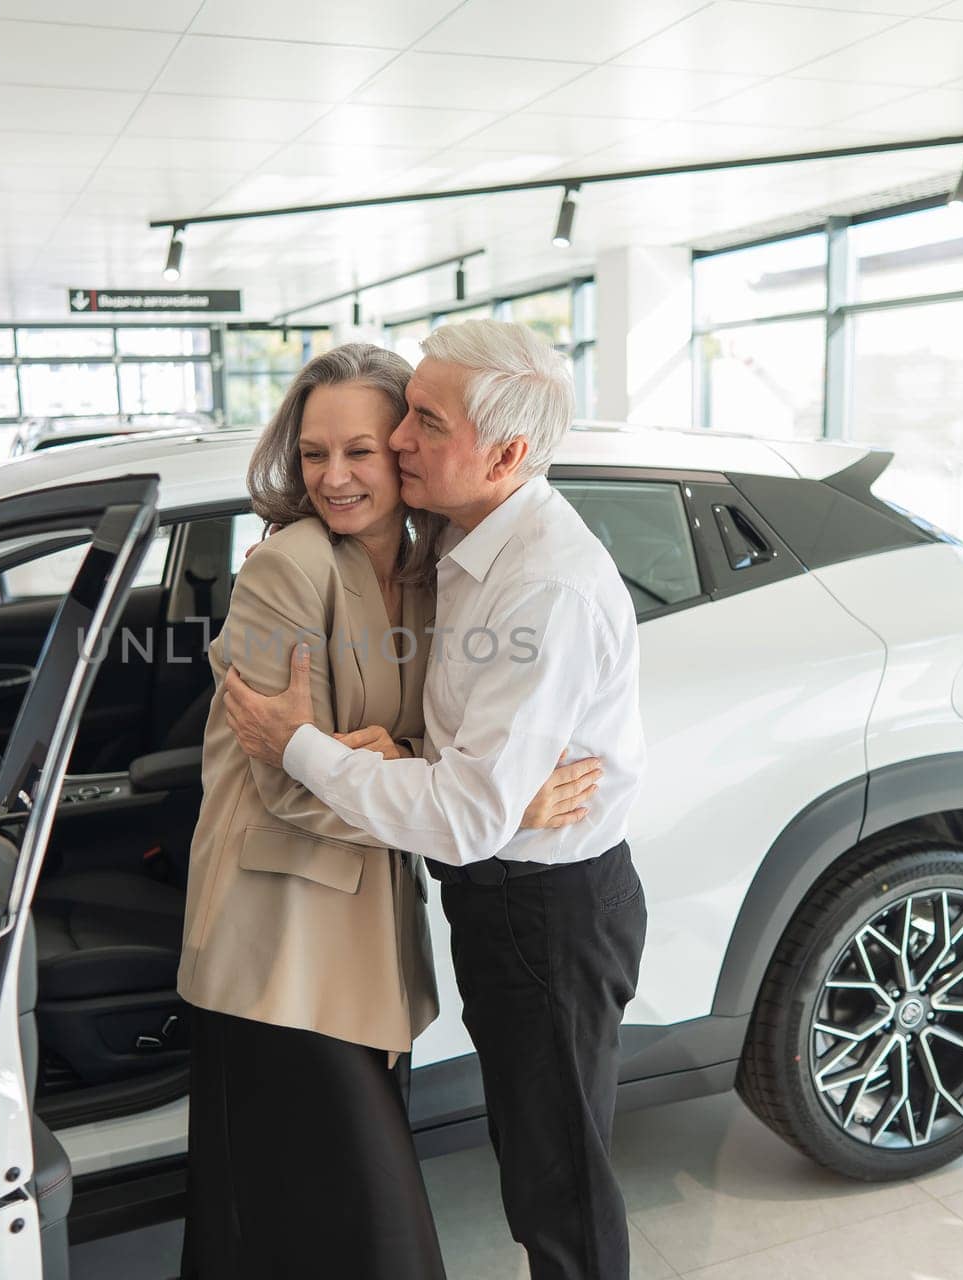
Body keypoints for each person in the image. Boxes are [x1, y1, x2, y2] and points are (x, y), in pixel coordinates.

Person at [223, 319, 647, 1280]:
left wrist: (298, 746)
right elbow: (457, 753)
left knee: (560, 1188)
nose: (401, 440)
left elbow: (463, 817)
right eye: (405, 415)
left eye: (423, 421)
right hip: (498, 894)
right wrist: (417, 752)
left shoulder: (543, 588)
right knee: (532, 1158)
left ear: (504, 453)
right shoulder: (459, 537)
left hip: (548, 914)